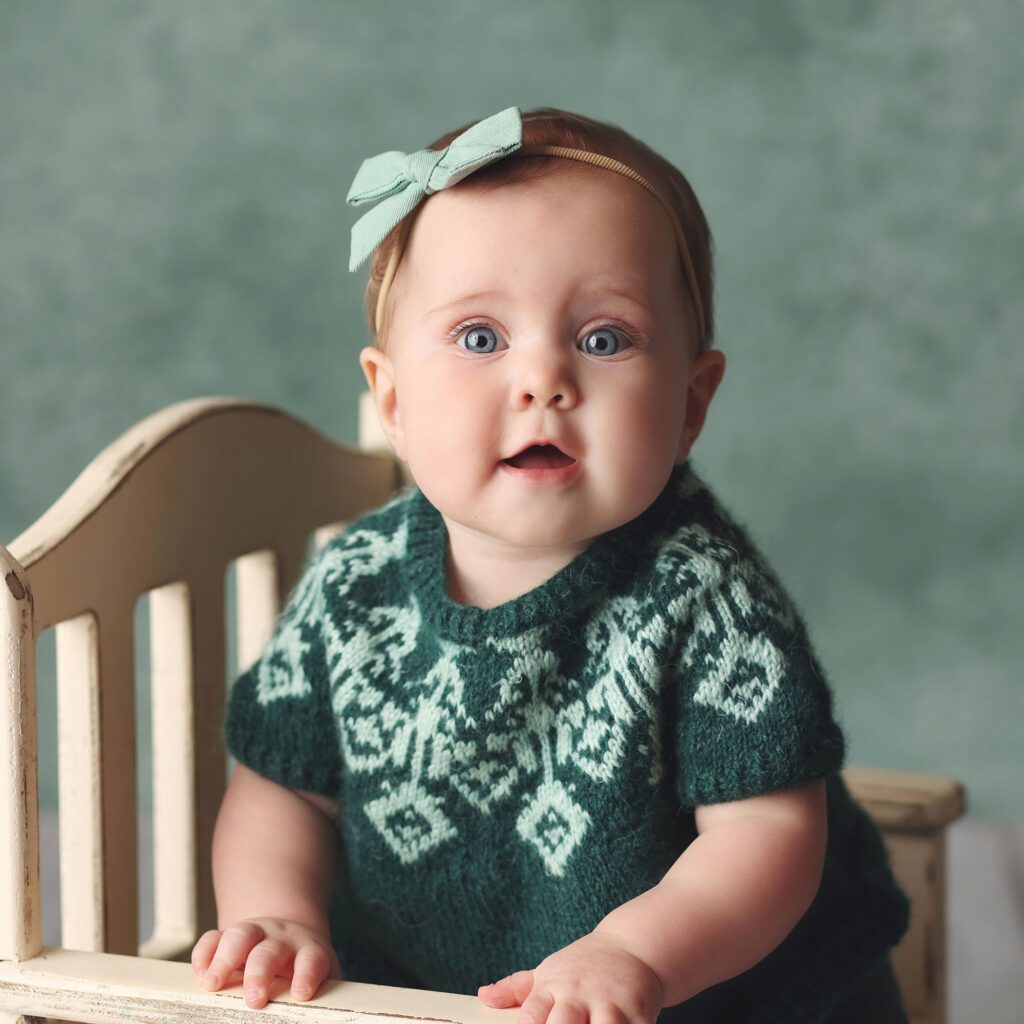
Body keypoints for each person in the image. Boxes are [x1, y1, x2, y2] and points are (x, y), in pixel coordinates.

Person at [190, 106, 911, 1023]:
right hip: (432, 991)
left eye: (604, 339)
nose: (543, 380)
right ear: (395, 399)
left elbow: (767, 833)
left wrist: (631, 953)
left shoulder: (703, 595)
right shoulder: (354, 585)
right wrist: (275, 913)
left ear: (691, 404)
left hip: (722, 991)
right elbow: (280, 787)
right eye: (481, 338)